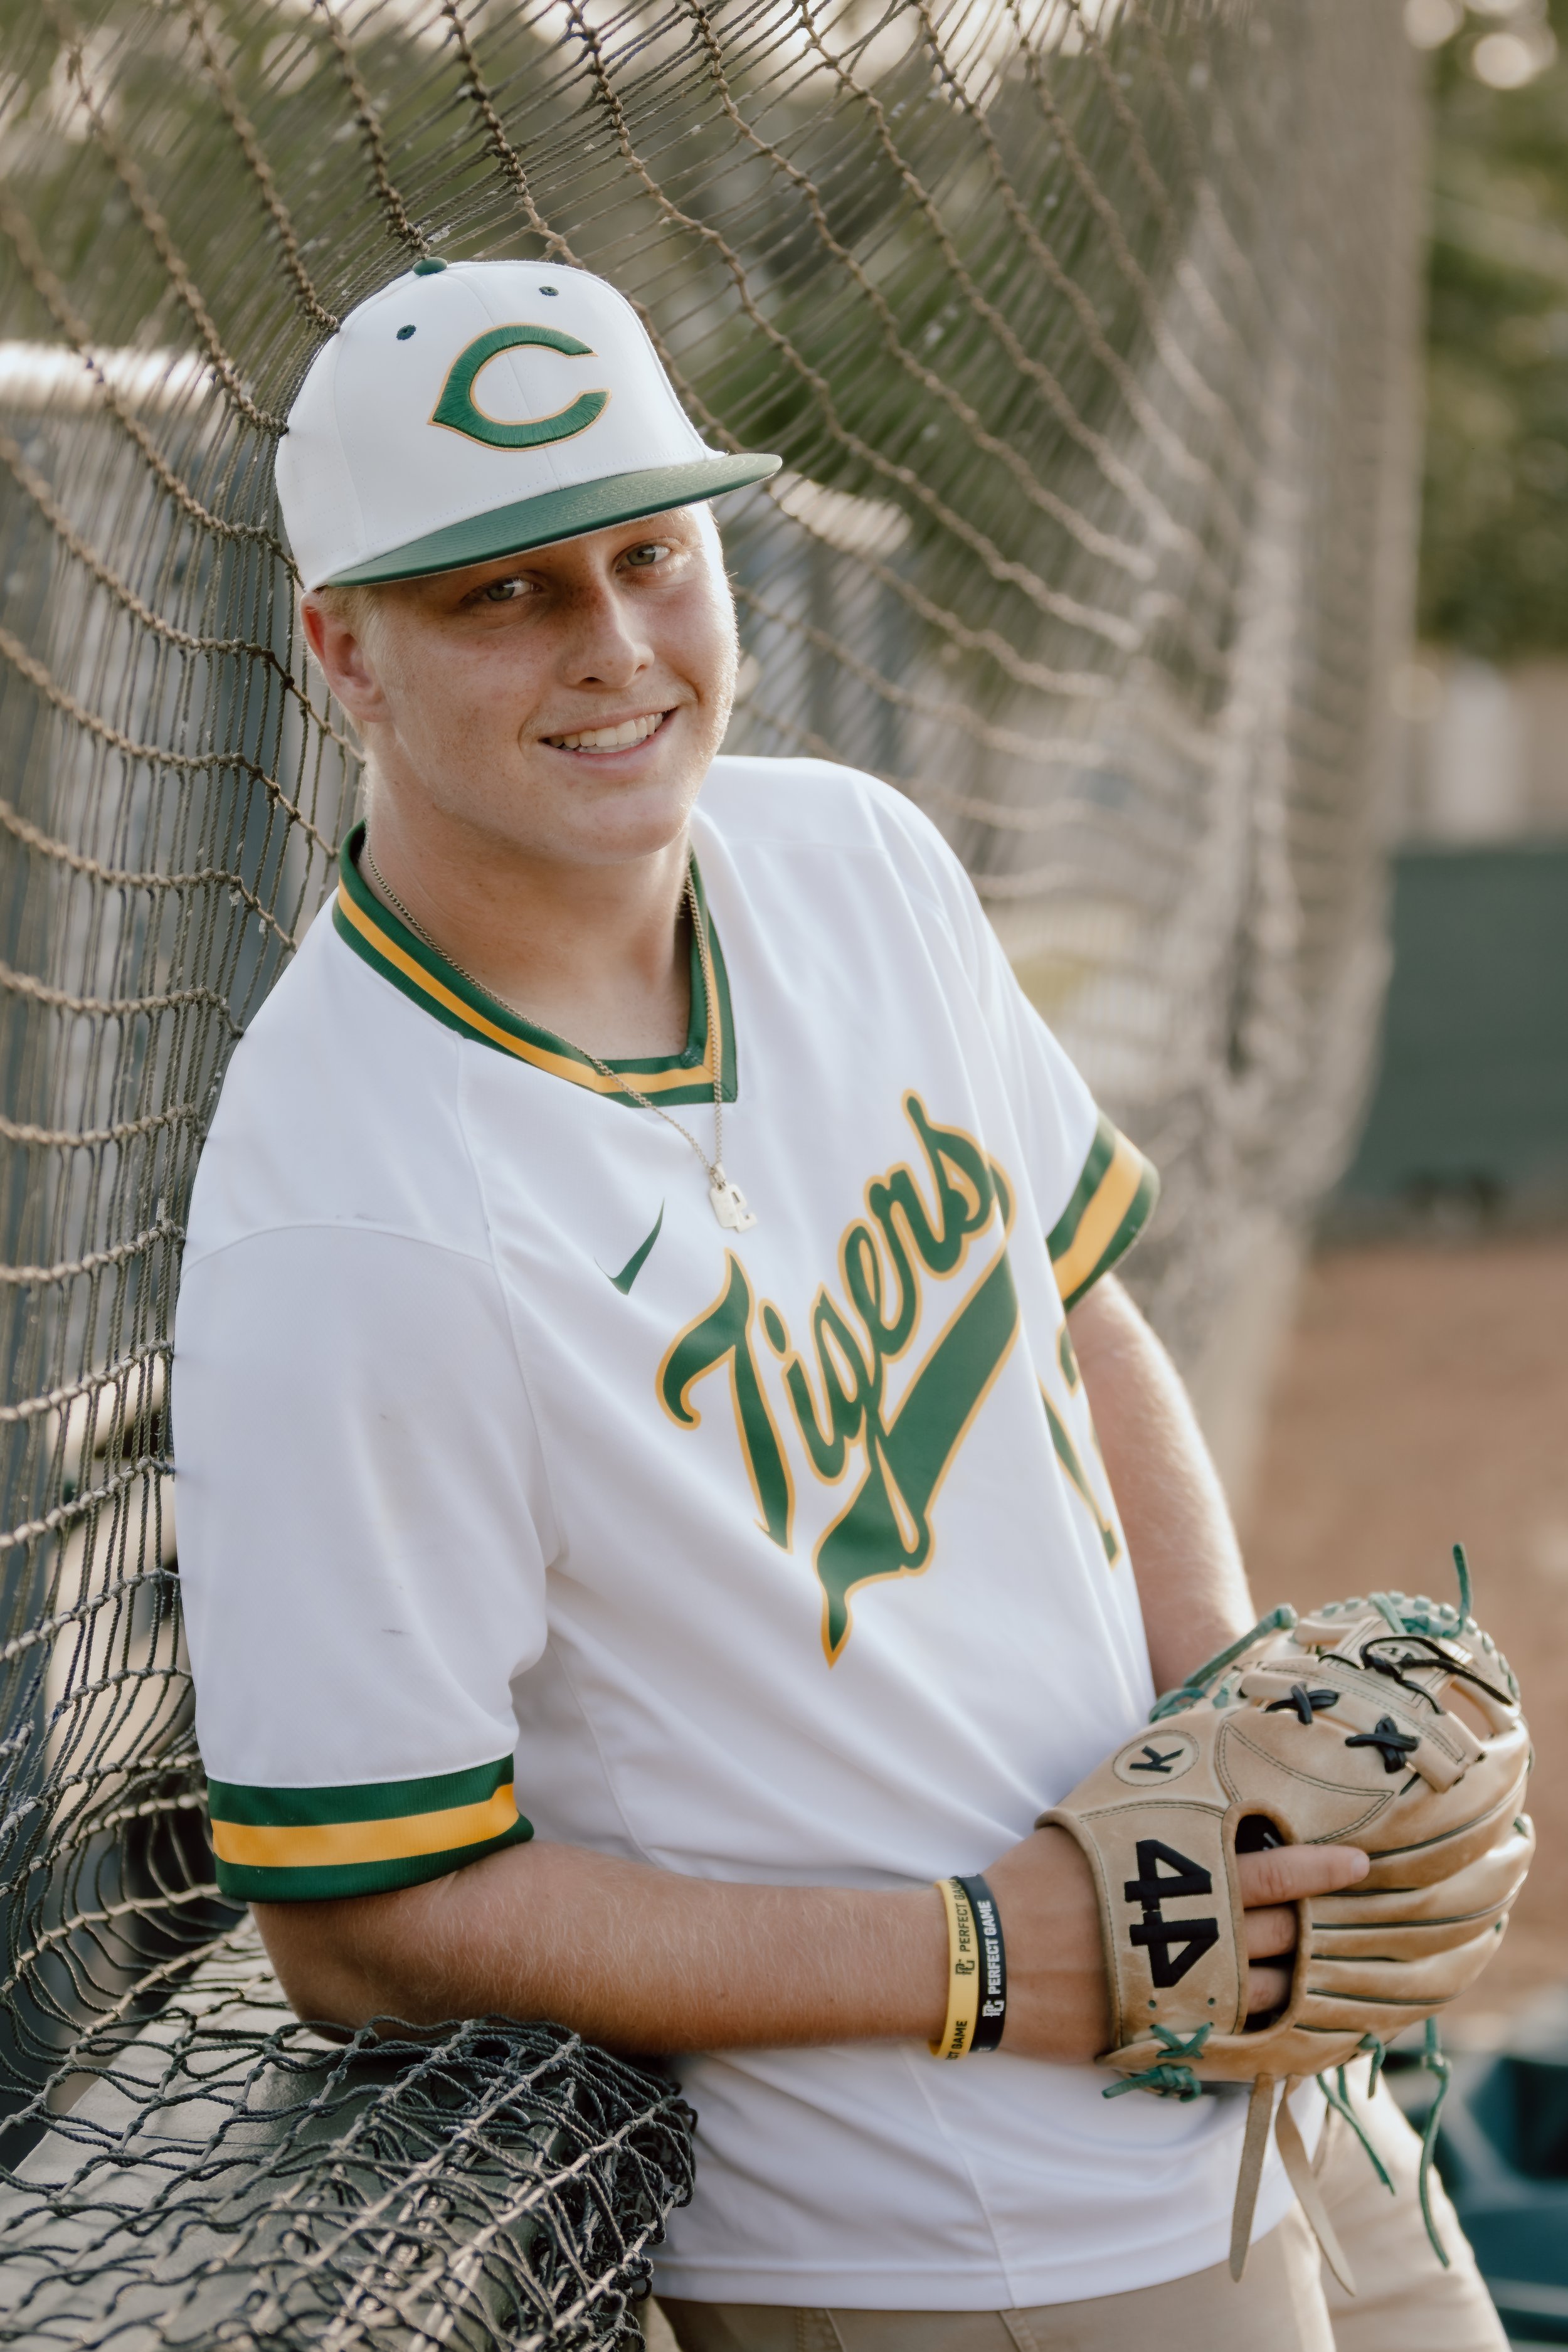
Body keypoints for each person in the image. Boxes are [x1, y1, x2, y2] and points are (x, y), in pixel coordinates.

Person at [172, 258, 1506, 2352]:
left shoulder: (851, 861)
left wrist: (1228, 1745)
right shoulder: (348, 1214)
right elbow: (361, 1920)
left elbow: (1076, 1315)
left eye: (648, 555)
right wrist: (986, 1958)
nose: (614, 647)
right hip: (935, 2231)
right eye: (501, 593)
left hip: (1250, 2035)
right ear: (343, 646)